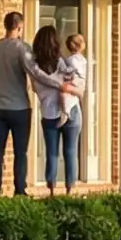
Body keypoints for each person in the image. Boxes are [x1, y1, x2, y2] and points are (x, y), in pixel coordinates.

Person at [0, 13, 36, 196]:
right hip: (19, 107)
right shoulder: (22, 48)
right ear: (19, 27)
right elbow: (33, 72)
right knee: (20, 152)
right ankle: (20, 190)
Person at [26, 25, 83, 193]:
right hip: (71, 108)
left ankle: (51, 190)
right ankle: (70, 191)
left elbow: (35, 88)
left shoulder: (34, 67)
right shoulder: (62, 61)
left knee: (51, 153)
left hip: (49, 112)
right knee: (71, 151)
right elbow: (73, 81)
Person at [58, 31, 93, 190]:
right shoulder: (84, 63)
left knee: (64, 150)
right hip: (76, 106)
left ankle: (60, 182)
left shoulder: (67, 63)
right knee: (72, 149)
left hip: (67, 105)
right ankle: (70, 186)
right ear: (81, 46)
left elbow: (63, 86)